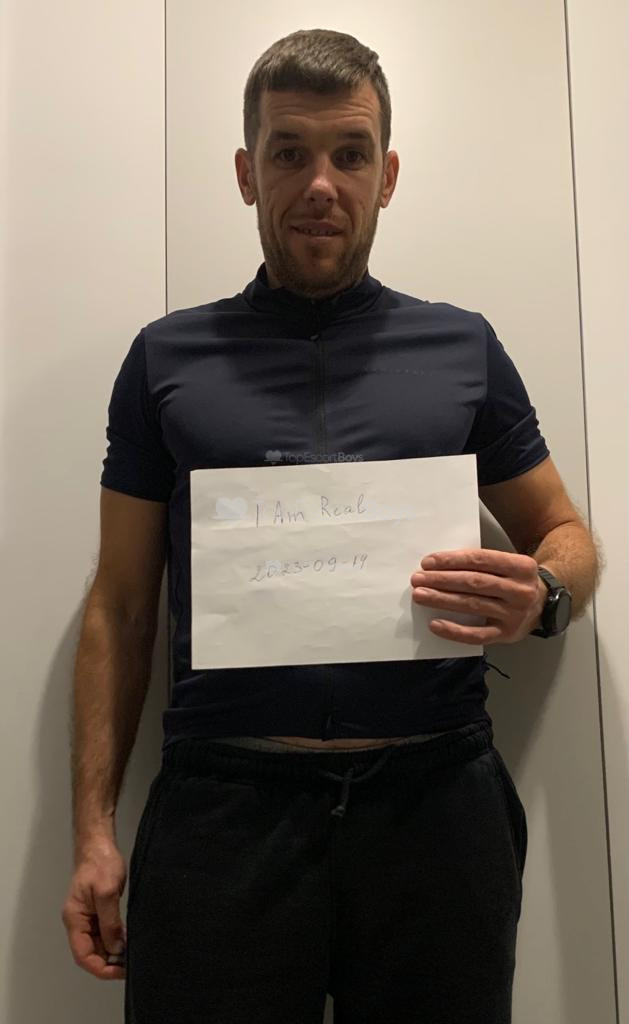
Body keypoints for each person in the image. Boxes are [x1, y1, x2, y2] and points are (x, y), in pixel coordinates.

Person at [62, 27, 600, 1024]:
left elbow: (563, 533)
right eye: (289, 152)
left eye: (349, 154)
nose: (320, 183)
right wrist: (93, 830)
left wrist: (546, 594)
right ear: (246, 172)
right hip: (224, 809)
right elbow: (121, 604)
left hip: (435, 804)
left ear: (385, 176)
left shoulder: (461, 346)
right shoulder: (164, 359)